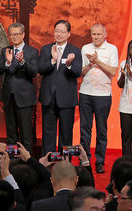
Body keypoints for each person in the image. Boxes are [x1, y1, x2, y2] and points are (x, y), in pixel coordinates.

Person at [38, 20, 82, 155]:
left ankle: (65, 162)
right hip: (48, 97)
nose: (59, 34)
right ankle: (48, 160)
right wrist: (53, 60)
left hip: (66, 98)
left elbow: (77, 72)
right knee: (48, 132)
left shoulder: (75, 51)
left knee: (66, 132)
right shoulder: (46, 49)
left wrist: (69, 64)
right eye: (57, 31)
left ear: (68, 34)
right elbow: (40, 69)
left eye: (63, 31)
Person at [80, 23, 118, 174]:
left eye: (98, 34)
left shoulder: (112, 49)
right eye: (93, 34)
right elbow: (82, 72)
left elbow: (113, 71)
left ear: (105, 34)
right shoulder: (85, 48)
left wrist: (98, 62)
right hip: (85, 93)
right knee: (85, 129)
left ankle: (100, 161)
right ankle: (85, 160)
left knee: (101, 130)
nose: (95, 37)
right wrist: (90, 64)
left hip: (103, 95)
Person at [0, 22, 38, 152]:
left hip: (24, 97)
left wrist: (22, 62)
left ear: (23, 34)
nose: (14, 37)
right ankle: (12, 160)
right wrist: (8, 63)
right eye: (12, 34)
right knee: (11, 132)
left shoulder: (32, 51)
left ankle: (26, 162)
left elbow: (34, 72)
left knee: (26, 133)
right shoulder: (6, 50)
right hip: (9, 96)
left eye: (17, 34)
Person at [117, 40, 132, 157]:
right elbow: (120, 85)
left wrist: (131, 74)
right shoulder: (124, 63)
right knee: (126, 136)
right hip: (126, 107)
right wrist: (123, 74)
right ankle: (127, 162)